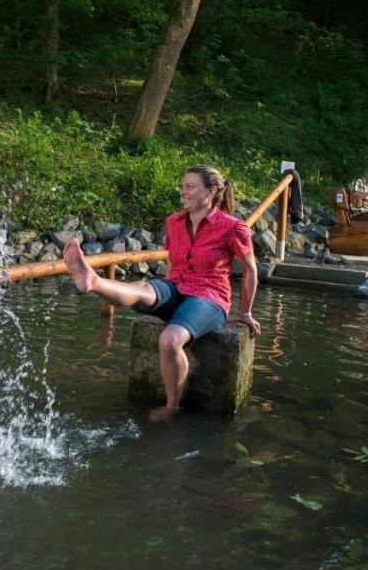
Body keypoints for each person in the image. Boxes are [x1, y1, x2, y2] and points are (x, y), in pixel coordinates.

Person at [62, 165, 262, 422]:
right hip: (176, 286)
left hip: (210, 296)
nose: (183, 192)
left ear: (210, 191)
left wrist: (245, 312)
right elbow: (172, 264)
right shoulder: (174, 221)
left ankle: (172, 406)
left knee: (169, 340)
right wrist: (162, 297)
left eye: (189, 187)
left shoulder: (233, 227)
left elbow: (250, 270)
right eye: (182, 186)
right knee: (143, 289)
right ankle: (92, 281)